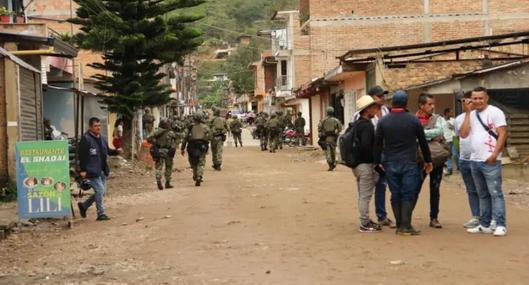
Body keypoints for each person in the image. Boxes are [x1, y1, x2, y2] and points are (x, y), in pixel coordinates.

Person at [374, 91, 433, 236]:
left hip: (389, 162)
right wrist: (428, 160)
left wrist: (377, 162)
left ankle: (400, 224)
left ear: (393, 102)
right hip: (409, 162)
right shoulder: (413, 120)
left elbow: (377, 144)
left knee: (395, 193)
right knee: (408, 193)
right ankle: (405, 226)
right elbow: (423, 143)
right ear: (406, 103)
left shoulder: (383, 121)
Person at [460, 86, 508, 237]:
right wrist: (468, 113)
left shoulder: (495, 112)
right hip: (474, 160)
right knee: (482, 194)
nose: (477, 101)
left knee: (495, 193)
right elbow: (463, 134)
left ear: (486, 98)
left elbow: (502, 133)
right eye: (474, 98)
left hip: (490, 160)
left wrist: (495, 154)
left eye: (480, 98)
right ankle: (485, 224)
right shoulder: (471, 114)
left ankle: (500, 224)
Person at [77, 117, 122, 221]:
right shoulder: (86, 139)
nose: (98, 128)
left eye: (99, 125)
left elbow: (108, 151)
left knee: (101, 192)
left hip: (102, 170)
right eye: (96, 126)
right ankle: (101, 214)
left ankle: (84, 206)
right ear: (90, 127)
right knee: (100, 190)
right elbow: (81, 156)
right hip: (91, 171)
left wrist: (116, 151)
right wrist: (82, 170)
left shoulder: (102, 138)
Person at [416, 93, 448, 229]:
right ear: (421, 105)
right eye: (429, 104)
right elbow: (412, 135)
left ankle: (434, 218)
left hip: (437, 159)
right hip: (419, 159)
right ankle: (406, 216)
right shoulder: (413, 119)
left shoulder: (438, 119)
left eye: (433, 104)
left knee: (435, 188)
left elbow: (441, 131)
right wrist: (432, 135)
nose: (432, 107)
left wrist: (421, 134)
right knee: (414, 188)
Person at [352, 96, 382, 232]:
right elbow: (366, 147)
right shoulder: (367, 126)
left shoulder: (357, 123)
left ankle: (366, 220)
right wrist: (374, 163)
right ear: (367, 110)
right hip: (365, 165)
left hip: (356, 165)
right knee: (365, 195)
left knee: (362, 194)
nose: (375, 110)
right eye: (373, 108)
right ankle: (364, 223)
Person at [454, 91, 480, 229]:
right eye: (463, 101)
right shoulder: (459, 119)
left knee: (483, 189)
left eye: (468, 101)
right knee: (471, 189)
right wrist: (468, 114)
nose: (465, 104)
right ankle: (476, 216)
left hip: (479, 158)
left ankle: (489, 216)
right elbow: (462, 136)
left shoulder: (482, 116)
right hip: (465, 158)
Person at [181, 113, 211, 187]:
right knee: (201, 162)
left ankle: (195, 175)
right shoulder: (205, 127)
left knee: (193, 163)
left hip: (192, 146)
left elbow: (185, 138)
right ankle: (199, 176)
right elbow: (210, 136)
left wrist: (182, 148)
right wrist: (206, 141)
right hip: (202, 146)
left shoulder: (190, 127)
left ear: (193, 119)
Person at [147, 119, 177, 190]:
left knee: (158, 167)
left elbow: (148, 138)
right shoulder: (170, 133)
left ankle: (158, 181)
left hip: (158, 151)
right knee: (169, 167)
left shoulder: (156, 131)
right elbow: (176, 138)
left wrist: (154, 141)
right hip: (168, 151)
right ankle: (167, 182)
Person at [318, 107, 342, 171]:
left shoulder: (323, 120)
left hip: (326, 138)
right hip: (333, 138)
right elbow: (340, 129)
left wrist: (323, 133)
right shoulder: (336, 120)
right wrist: (335, 132)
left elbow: (319, 129)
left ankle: (330, 164)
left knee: (327, 152)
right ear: (332, 112)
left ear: (327, 112)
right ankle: (333, 163)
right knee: (333, 151)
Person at [443, 107, 457, 176]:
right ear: (446, 113)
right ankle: (449, 168)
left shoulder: (453, 120)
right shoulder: (441, 120)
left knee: (455, 154)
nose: (452, 113)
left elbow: (456, 128)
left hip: (454, 138)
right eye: (451, 112)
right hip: (446, 140)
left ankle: (459, 167)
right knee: (448, 154)